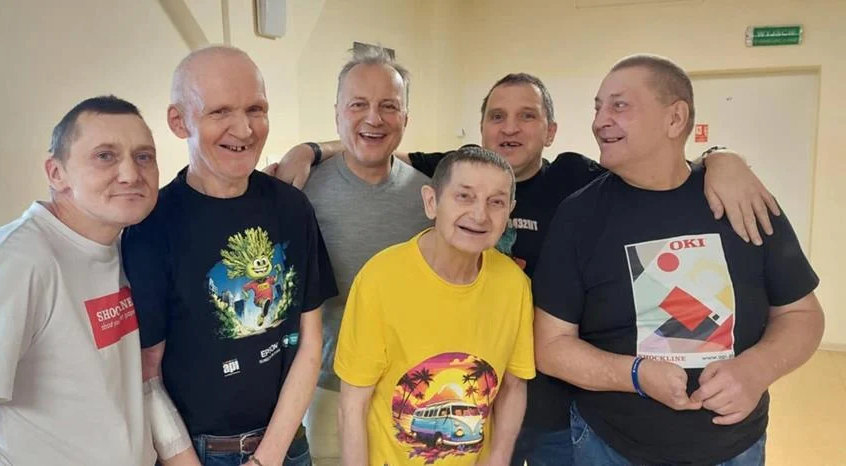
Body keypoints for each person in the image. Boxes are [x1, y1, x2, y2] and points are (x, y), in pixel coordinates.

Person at [266, 71, 780, 466]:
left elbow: (655, 167)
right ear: (436, 199)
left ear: (551, 130)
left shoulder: (581, 181)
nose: (509, 127)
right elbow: (377, 144)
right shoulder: (456, 172)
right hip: (464, 408)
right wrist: (309, 149)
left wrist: (719, 158)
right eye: (497, 116)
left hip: (559, 406)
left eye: (527, 116)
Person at [532, 53, 824, 466]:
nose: (599, 122)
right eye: (597, 108)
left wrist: (757, 370)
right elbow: (550, 346)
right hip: (610, 446)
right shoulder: (578, 215)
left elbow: (802, 314)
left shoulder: (743, 201)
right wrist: (635, 375)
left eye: (619, 105)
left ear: (675, 119)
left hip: (734, 447)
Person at [0, 96, 160, 465]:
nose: (131, 174)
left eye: (143, 156)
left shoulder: (122, 248)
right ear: (56, 173)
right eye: (105, 156)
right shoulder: (14, 263)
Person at [120, 45, 338, 466]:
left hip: (287, 444)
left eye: (256, 109)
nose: (244, 129)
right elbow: (148, 374)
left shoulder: (291, 207)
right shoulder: (151, 226)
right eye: (220, 112)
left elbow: (310, 343)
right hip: (197, 453)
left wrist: (267, 457)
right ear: (179, 121)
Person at [336, 146, 535, 466]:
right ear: (431, 201)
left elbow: (514, 384)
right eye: (464, 196)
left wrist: (497, 458)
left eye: (496, 202)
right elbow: (352, 405)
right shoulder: (380, 279)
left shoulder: (514, 285)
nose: (480, 215)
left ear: (508, 211)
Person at [298, 46, 432, 462]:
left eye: (388, 106)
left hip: (413, 392)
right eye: (358, 104)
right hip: (327, 391)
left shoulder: (431, 198)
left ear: (406, 118)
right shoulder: (301, 192)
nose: (374, 118)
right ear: (337, 113)